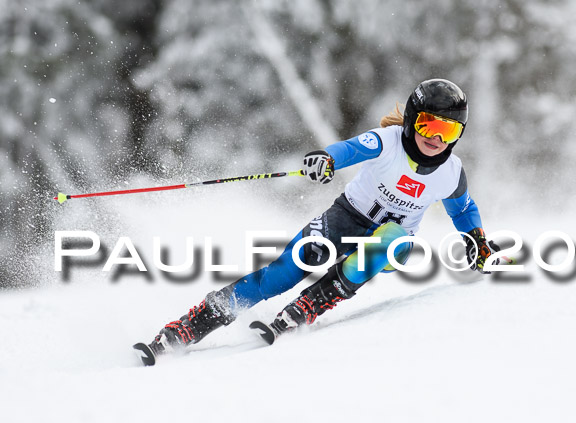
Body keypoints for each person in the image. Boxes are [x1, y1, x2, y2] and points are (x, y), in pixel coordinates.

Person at [144, 78, 499, 355]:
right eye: (428, 125)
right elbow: (349, 150)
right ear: (410, 120)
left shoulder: (451, 173)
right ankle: (195, 322)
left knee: (389, 239)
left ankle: (314, 302)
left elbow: (463, 208)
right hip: (348, 217)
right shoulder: (387, 142)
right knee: (285, 270)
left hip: (395, 242)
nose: (436, 138)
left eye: (448, 130)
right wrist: (326, 159)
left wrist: (477, 241)